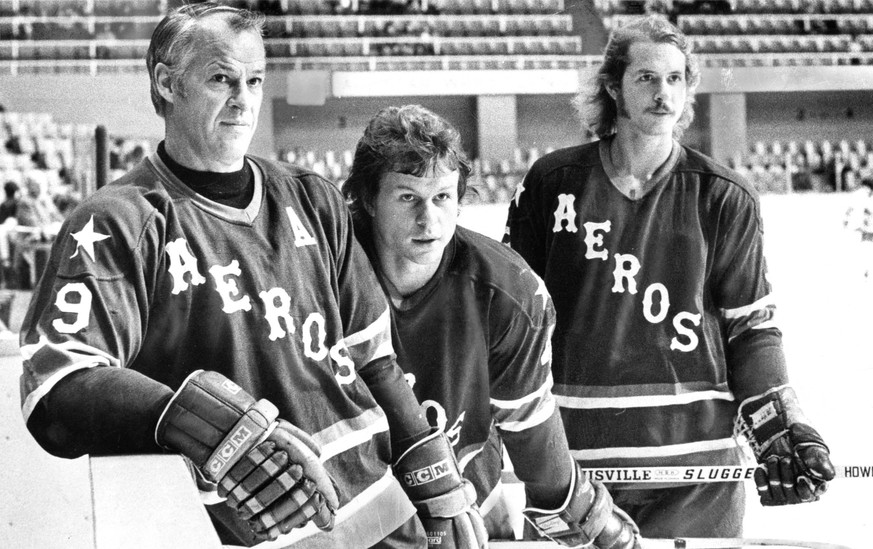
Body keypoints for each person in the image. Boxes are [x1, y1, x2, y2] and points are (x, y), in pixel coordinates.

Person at [18, 4, 486, 548]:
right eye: (222, 78)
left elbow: (373, 361)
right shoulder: (120, 221)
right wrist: (193, 419)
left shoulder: (312, 198)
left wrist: (432, 474)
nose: (244, 99)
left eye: (255, 79)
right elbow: (57, 391)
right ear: (168, 84)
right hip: (257, 530)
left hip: (381, 518)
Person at [503, 15, 835, 539]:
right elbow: (508, 325)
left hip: (698, 474)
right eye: (647, 78)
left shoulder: (725, 196)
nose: (664, 93)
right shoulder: (552, 183)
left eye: (676, 79)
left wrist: (781, 428)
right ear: (613, 86)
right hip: (573, 474)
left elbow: (750, 331)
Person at [343, 104, 639, 548]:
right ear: (367, 199)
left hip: (463, 519)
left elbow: (540, 454)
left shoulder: (508, 295)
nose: (429, 220)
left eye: (442, 197)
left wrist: (595, 524)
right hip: (353, 518)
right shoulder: (326, 270)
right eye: (408, 198)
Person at [843, 177, 873, 279]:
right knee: (865, 247)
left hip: (863, 227)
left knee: (865, 247)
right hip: (862, 227)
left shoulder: (862, 195)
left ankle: (865, 270)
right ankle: (865, 270)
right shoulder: (861, 196)